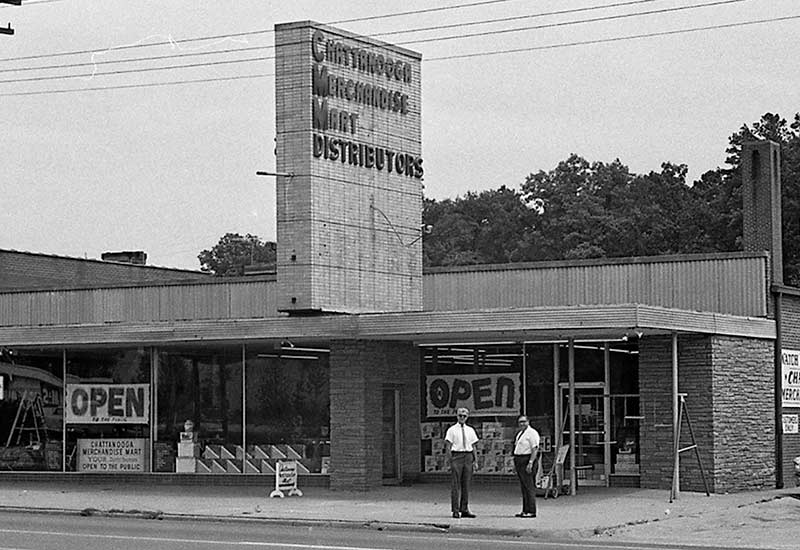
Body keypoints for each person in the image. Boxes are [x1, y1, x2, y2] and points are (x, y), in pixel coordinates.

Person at [444, 407, 479, 518]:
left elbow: (473, 446)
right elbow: (448, 446)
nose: (462, 418)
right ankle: (455, 509)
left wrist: (475, 460)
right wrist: (450, 461)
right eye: (460, 416)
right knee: (455, 484)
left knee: (466, 484)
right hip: (457, 456)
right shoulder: (452, 430)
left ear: (467, 417)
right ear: (457, 416)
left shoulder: (470, 430)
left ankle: (464, 508)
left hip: (468, 456)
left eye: (464, 416)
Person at [513, 415, 540, 518]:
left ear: (528, 422)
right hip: (519, 459)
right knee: (524, 487)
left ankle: (532, 510)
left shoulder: (532, 433)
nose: (522, 424)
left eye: (524, 421)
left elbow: (534, 449)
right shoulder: (520, 433)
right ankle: (525, 509)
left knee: (529, 486)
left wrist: (531, 462)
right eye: (520, 422)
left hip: (527, 459)